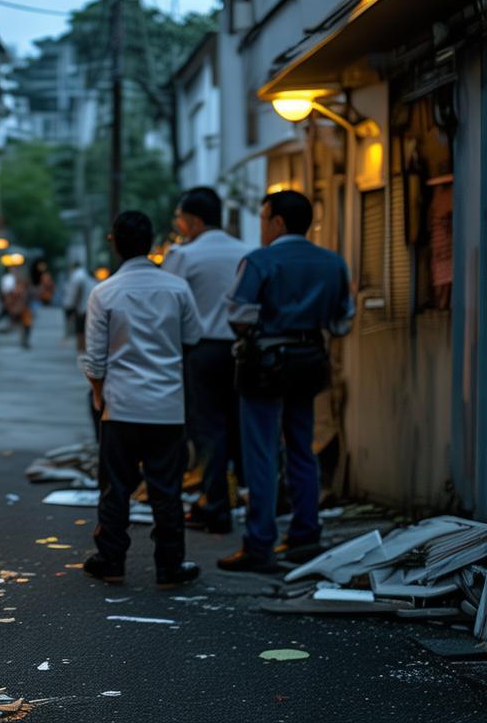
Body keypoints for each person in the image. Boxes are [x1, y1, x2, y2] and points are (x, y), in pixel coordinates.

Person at [218, 190, 354, 573]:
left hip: (265, 362)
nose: (261, 226)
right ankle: (304, 534)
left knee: (261, 451)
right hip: (310, 359)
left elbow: (239, 314)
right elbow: (343, 322)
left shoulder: (260, 261)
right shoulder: (333, 263)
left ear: (278, 222)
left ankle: (259, 543)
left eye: (263, 219)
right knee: (301, 445)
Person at [79, 211, 204, 589]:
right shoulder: (177, 288)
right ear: (151, 244)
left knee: (116, 485)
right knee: (167, 489)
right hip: (167, 406)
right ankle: (170, 566)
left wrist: (100, 398)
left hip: (121, 405)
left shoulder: (104, 292)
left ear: (114, 243)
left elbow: (95, 360)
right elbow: (193, 338)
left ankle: (111, 560)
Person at [162, 187, 250, 534]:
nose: (179, 226)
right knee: (238, 426)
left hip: (201, 350)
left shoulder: (183, 255)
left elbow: (166, 305)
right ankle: (241, 498)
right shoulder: (246, 251)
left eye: (180, 219)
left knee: (208, 429)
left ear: (194, 220)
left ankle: (215, 505)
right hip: (242, 348)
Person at [64, 260, 96, 353]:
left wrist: (70, 306)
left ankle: (82, 356)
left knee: (81, 333)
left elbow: (75, 293)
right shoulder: (85, 274)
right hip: (90, 306)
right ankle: (84, 354)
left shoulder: (77, 276)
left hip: (83, 308)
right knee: (87, 333)